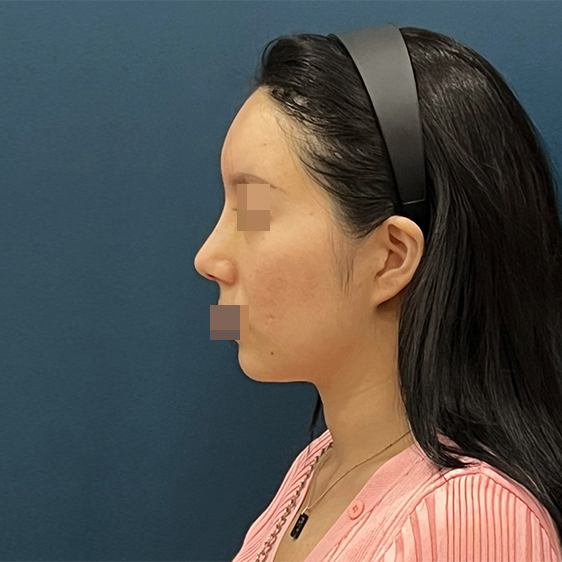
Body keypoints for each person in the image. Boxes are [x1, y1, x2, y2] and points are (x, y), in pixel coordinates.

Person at [193, 26, 562, 561]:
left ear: (390, 257)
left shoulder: (470, 521)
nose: (209, 258)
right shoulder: (323, 465)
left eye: (253, 212)